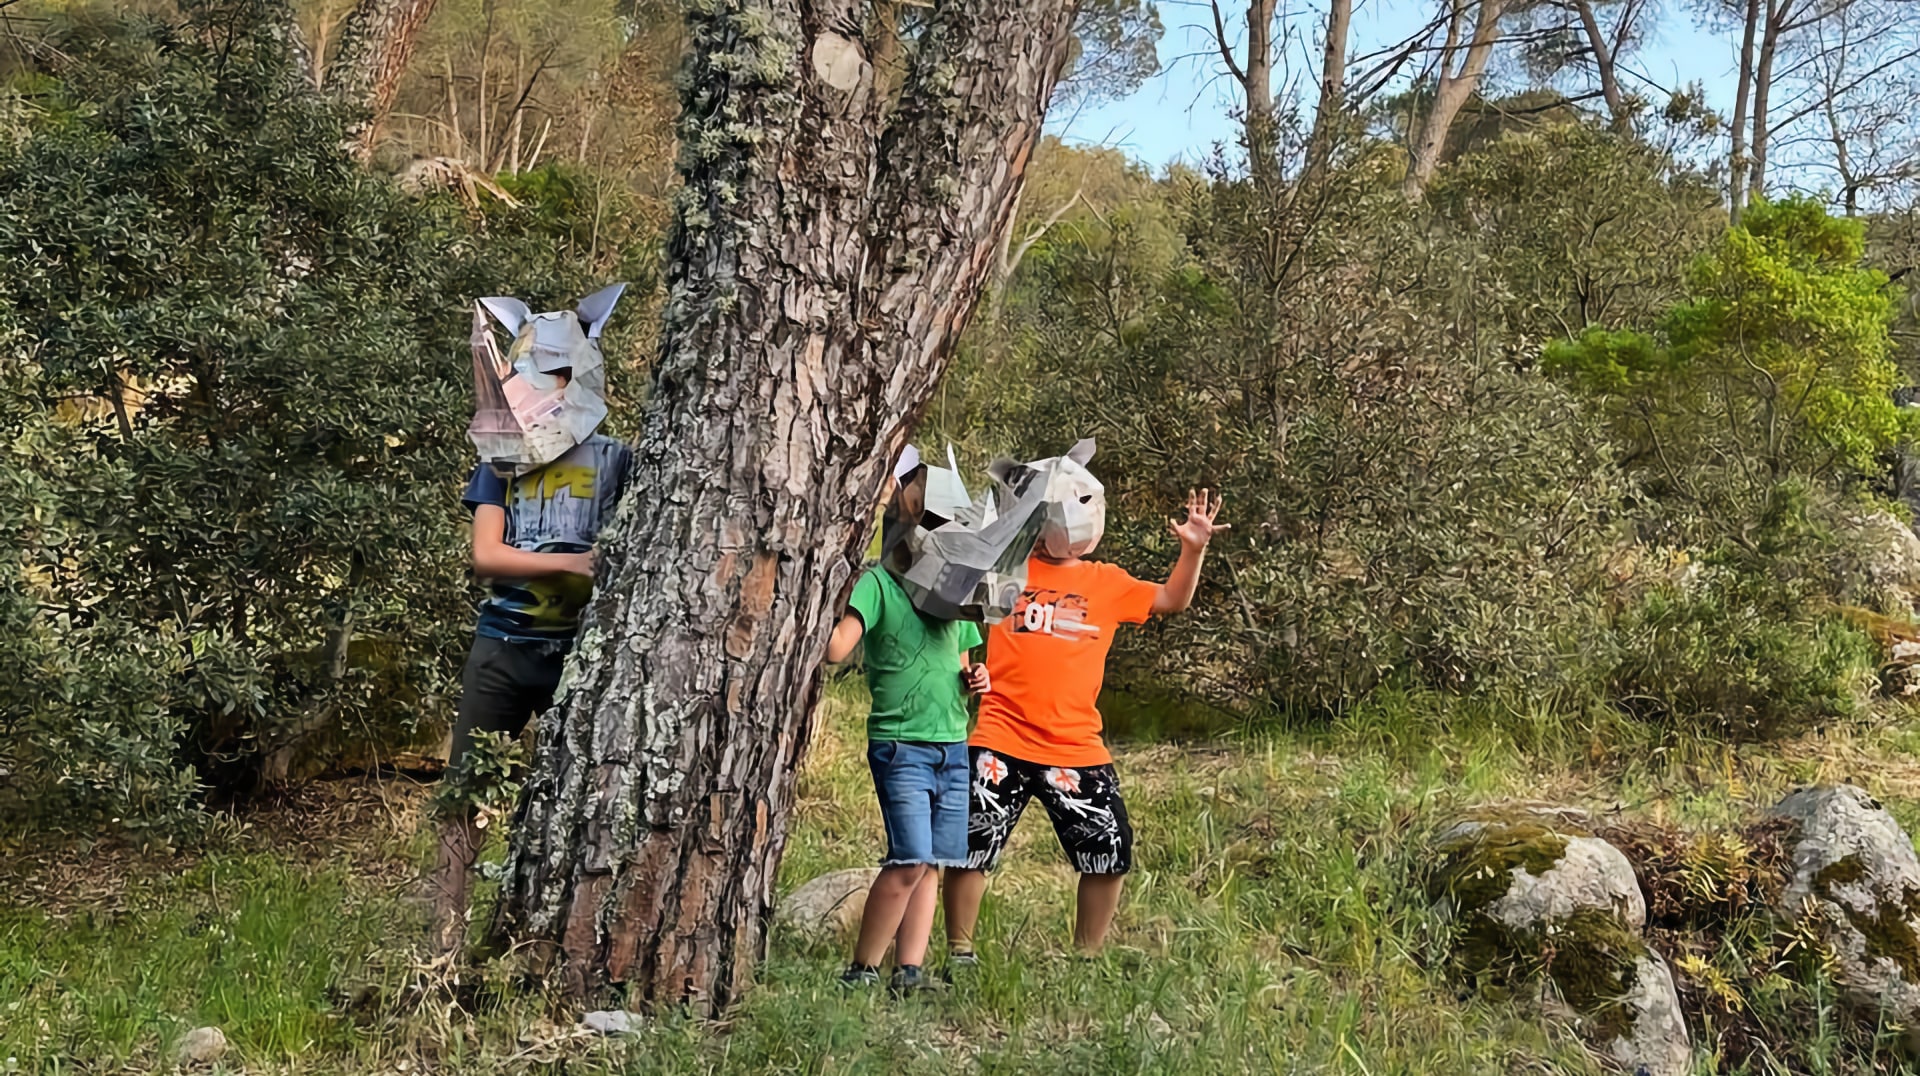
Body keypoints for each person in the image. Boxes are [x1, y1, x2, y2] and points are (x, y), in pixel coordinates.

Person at [943, 460, 1227, 963]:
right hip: (999, 735)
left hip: (1073, 744)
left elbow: (1170, 599)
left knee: (1108, 850)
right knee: (971, 846)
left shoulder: (1108, 582)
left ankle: (1086, 956)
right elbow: (955, 616)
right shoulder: (1006, 568)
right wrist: (967, 669)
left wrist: (1192, 548)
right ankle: (959, 950)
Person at [425, 291, 632, 955]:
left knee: (581, 797)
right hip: (504, 647)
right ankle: (445, 938)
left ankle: (553, 936)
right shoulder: (499, 463)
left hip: (581, 658)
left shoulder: (617, 462)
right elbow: (486, 556)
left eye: (554, 373)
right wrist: (577, 562)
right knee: (467, 793)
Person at [824, 450, 991, 993]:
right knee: (908, 861)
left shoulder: (958, 606)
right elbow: (836, 648)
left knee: (934, 865)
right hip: (901, 745)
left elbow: (966, 668)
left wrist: (977, 683)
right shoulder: (879, 585)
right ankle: (862, 970)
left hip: (951, 745)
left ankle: (910, 971)